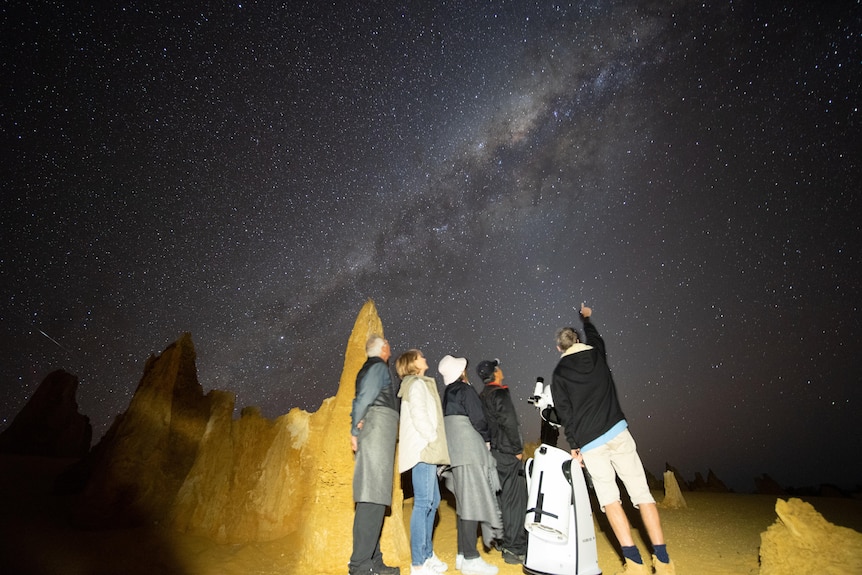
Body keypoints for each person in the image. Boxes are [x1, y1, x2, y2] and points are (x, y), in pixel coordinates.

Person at [550, 304, 676, 575]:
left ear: (559, 349)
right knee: (643, 496)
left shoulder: (559, 374)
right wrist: (586, 318)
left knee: (610, 501)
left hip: (591, 444)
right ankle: (664, 562)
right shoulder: (596, 353)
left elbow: (565, 413)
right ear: (579, 341)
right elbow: (595, 336)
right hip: (618, 432)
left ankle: (634, 564)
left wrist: (574, 445)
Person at [438, 355, 501, 575]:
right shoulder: (465, 390)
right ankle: (471, 559)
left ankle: (462, 555)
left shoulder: (448, 394)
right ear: (461, 372)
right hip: (468, 449)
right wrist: (486, 439)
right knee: (473, 501)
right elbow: (479, 418)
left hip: (455, 452)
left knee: (465, 503)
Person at [396, 349, 451, 575]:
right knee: (423, 503)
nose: (424, 357)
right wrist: (433, 438)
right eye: (420, 356)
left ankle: (427, 555)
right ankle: (418, 563)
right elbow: (420, 415)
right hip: (423, 451)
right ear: (413, 363)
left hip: (426, 450)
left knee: (432, 500)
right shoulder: (416, 385)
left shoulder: (418, 384)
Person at [349, 335, 401, 575]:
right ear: (382, 348)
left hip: (378, 432)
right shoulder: (377, 367)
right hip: (377, 431)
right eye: (388, 344)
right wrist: (354, 429)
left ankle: (373, 561)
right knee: (371, 498)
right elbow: (364, 398)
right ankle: (360, 565)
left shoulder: (370, 368)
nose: (390, 347)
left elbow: (361, 399)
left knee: (376, 498)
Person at [477, 359, 528, 565]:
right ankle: (514, 548)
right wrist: (517, 449)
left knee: (499, 499)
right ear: (496, 372)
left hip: (493, 453)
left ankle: (501, 540)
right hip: (507, 452)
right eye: (498, 367)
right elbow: (509, 422)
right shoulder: (499, 393)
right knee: (515, 501)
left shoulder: (481, 396)